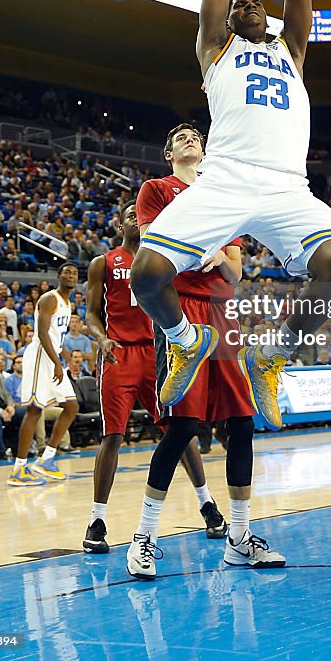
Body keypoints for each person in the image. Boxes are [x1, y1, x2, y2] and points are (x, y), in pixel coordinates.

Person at [130, 0, 331, 439]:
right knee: (147, 275)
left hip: (287, 187)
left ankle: (274, 357)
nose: (250, 3)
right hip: (225, 179)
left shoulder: (292, 50)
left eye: (257, 2)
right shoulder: (215, 50)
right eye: (240, 4)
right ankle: (186, 343)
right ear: (226, 21)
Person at [126, 125, 283, 579]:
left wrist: (217, 256)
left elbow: (235, 271)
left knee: (241, 421)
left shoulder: (225, 193)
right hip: (179, 312)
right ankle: (144, 538)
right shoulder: (155, 190)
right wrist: (203, 251)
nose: (189, 138)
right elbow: (156, 250)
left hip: (222, 311)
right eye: (179, 136)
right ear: (169, 151)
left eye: (195, 134)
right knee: (184, 425)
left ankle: (239, 537)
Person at [82, 200, 225, 554]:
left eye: (139, 213)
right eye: (129, 215)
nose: (136, 216)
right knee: (112, 435)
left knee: (181, 429)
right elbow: (89, 313)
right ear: (120, 225)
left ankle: (207, 504)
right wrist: (101, 339)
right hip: (120, 355)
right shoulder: (104, 263)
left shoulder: (165, 262)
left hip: (159, 352)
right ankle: (97, 520)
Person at [6, 262, 80, 486]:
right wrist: (57, 362)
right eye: (66, 272)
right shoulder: (50, 298)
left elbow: (57, 336)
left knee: (72, 406)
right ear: (58, 276)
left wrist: (65, 357)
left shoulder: (69, 304)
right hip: (40, 355)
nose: (71, 275)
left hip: (54, 356)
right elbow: (42, 332)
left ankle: (46, 459)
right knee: (34, 409)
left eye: (75, 273)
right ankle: (19, 469)